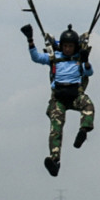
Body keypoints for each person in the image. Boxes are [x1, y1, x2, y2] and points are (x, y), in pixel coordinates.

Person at [22, 23, 94, 176]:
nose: (68, 49)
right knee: (56, 127)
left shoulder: (79, 58)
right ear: (62, 46)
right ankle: (55, 161)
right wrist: (30, 39)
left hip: (75, 95)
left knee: (88, 105)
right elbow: (35, 57)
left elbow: (89, 73)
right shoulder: (54, 58)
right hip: (58, 99)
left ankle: (83, 131)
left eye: (70, 46)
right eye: (65, 46)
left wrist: (86, 60)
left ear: (75, 46)